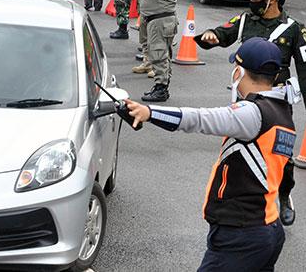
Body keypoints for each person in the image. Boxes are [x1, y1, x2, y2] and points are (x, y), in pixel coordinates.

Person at [126, 37, 293, 272]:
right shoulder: (283, 114)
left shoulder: (252, 114)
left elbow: (200, 119)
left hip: (240, 235)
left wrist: (149, 112)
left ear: (239, 72)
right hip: (267, 229)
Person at [195, 0, 306, 226]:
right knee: (242, 150)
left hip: (277, 101)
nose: (253, 3)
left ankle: (284, 195)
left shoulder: (294, 29)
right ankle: (245, 200)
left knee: (282, 155)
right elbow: (223, 33)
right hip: (247, 100)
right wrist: (210, 36)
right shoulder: (245, 20)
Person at [125, 0, 179, 102]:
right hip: (149, 19)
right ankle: (159, 85)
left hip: (161, 20)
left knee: (159, 54)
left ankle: (161, 88)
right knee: (152, 50)